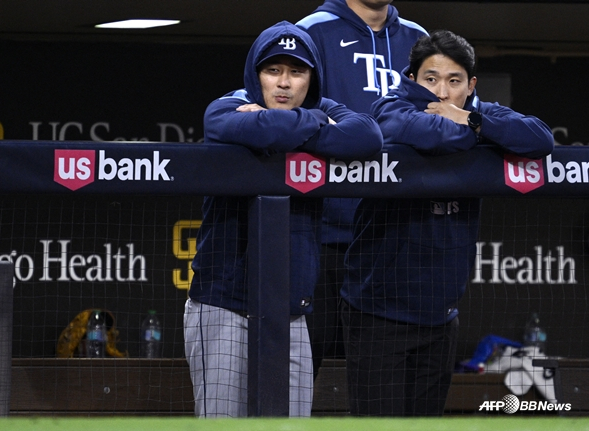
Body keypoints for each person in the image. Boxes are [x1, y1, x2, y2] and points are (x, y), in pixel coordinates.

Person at [341, 30, 554, 416]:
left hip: (441, 318)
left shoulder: (479, 113)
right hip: (378, 315)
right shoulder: (390, 107)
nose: (442, 92)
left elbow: (540, 139)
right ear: (412, 80)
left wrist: (472, 119)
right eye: (431, 79)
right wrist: (477, 129)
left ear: (471, 85)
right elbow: (436, 135)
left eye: (454, 81)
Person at [183, 21, 383, 418]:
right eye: (273, 70)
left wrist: (288, 123)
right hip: (224, 304)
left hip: (291, 311)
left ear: (312, 78)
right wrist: (314, 124)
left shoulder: (326, 107)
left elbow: (367, 136)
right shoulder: (228, 106)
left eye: (296, 71)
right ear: (256, 74)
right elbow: (227, 124)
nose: (284, 83)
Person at [297, 0, 428, 379]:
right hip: (323, 237)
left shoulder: (418, 38)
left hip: (394, 240)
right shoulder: (312, 31)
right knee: (298, 372)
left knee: (383, 382)